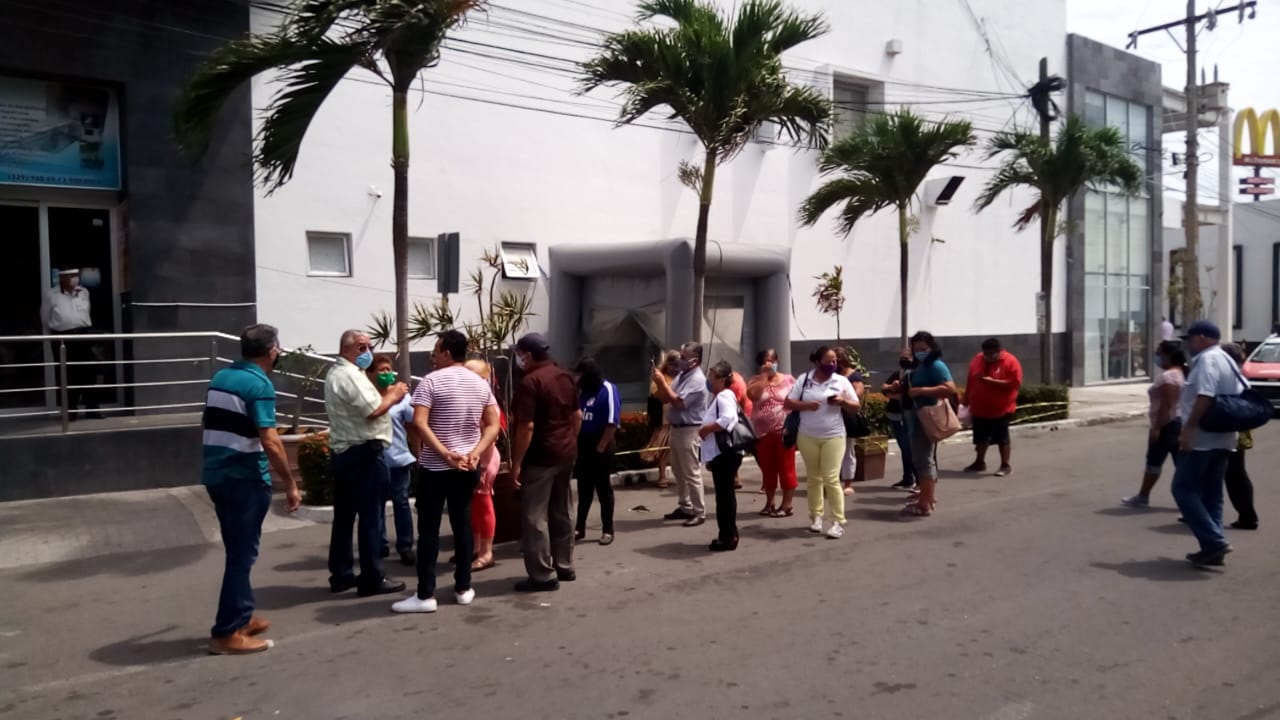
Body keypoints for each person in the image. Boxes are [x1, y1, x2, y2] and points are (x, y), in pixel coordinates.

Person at [201, 324, 301, 655]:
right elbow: (270, 440)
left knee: (238, 551)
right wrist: (291, 483)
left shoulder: (222, 377)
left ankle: (242, 615)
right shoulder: (260, 385)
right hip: (243, 479)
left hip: (218, 475)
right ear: (272, 351)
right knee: (242, 556)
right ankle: (226, 632)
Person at [392, 331, 501, 613]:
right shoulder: (479, 383)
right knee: (462, 523)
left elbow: (419, 423)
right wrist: (475, 452)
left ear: (447, 353)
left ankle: (425, 595)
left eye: (437, 350)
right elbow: (493, 424)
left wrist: (444, 453)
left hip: (436, 467)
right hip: (468, 465)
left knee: (428, 529)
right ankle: (463, 587)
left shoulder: (430, 381)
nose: (433, 355)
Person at [324, 330, 408, 598]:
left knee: (344, 517)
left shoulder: (339, 373)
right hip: (362, 453)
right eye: (363, 348)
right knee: (371, 516)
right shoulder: (349, 375)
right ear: (350, 349)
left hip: (345, 452)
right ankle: (372, 577)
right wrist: (394, 394)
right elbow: (373, 410)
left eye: (369, 347)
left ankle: (341, 573)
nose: (368, 353)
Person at [511, 333, 582, 593]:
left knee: (534, 517)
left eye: (519, 354)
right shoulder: (564, 376)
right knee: (562, 510)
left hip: (540, 457)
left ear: (528, 355)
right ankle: (564, 565)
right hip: (566, 453)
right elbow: (577, 416)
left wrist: (516, 462)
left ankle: (542, 575)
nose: (518, 359)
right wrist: (569, 441)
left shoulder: (530, 382)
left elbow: (526, 427)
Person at [1171, 321, 1243, 567]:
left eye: (1190, 339)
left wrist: (1188, 430)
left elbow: (1205, 396)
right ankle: (1213, 549)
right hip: (1223, 438)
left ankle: (1214, 542)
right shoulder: (1227, 360)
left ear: (1201, 338)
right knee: (1212, 493)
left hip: (1202, 439)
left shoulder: (1207, 360)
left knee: (1182, 488)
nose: (1188, 345)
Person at [784, 346, 859, 539]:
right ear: (817, 362)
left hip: (834, 435)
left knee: (831, 478)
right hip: (807, 435)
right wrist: (806, 406)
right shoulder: (804, 379)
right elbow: (788, 403)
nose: (832, 364)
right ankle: (816, 517)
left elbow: (856, 406)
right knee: (813, 478)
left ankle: (837, 521)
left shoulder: (841, 380)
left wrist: (842, 402)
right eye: (828, 361)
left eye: (834, 361)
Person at [1121, 341, 1187, 508]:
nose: (1157, 357)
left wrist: (1157, 428)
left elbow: (1166, 406)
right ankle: (1189, 500)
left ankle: (1143, 496)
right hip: (1178, 422)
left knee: (1154, 460)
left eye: (1159, 353)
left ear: (1168, 355)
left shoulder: (1168, 377)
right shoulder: (1181, 373)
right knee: (1181, 463)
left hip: (1168, 424)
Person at [652, 342, 709, 527]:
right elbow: (665, 398)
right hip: (676, 428)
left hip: (689, 429)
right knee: (678, 469)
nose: (680, 360)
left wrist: (662, 383)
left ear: (695, 361)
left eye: (684, 357)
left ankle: (699, 512)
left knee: (691, 472)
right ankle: (685, 506)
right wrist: (659, 384)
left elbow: (679, 403)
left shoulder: (697, 380)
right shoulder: (682, 376)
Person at [901, 331, 957, 518]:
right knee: (921, 459)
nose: (920, 352)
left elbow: (949, 388)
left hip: (927, 417)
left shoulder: (936, 365)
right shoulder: (918, 365)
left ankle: (925, 503)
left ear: (932, 348)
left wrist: (921, 391)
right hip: (915, 417)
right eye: (916, 349)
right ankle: (926, 496)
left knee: (924, 460)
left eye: (923, 349)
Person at [368, 354, 416, 567]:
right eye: (382, 370)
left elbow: (413, 425)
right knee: (376, 504)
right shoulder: (367, 396)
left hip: (399, 459)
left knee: (401, 502)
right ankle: (380, 545)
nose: (387, 374)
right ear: (370, 373)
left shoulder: (402, 397)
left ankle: (405, 545)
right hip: (375, 460)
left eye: (389, 369)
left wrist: (418, 453)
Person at [42, 268, 101, 419]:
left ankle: (92, 409)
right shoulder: (52, 295)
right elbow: (45, 319)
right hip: (63, 338)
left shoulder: (84, 292)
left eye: (76, 275)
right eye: (71, 276)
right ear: (62, 278)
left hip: (82, 336)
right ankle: (70, 411)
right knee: (67, 375)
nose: (75, 278)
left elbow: (86, 312)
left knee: (89, 372)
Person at [574, 357, 621, 546]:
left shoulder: (608, 389)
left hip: (601, 443)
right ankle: (579, 527)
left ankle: (607, 529)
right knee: (583, 489)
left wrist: (600, 448)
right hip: (583, 444)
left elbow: (612, 422)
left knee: (603, 489)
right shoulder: (582, 391)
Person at [464, 358, 505, 571]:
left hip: (484, 459)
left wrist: (481, 465)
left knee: (483, 503)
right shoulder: (470, 397)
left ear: (483, 378)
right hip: (473, 459)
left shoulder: (488, 403)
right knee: (475, 505)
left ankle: (487, 552)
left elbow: (491, 437)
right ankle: (477, 547)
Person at [699, 361, 744, 552]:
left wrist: (706, 429)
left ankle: (728, 536)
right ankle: (727, 534)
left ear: (722, 380)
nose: (709, 381)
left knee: (725, 497)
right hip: (719, 454)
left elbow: (728, 419)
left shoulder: (724, 396)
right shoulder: (718, 397)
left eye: (712, 377)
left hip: (725, 454)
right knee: (725, 495)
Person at [746, 348, 797, 517]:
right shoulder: (755, 380)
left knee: (786, 468)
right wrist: (764, 376)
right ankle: (770, 503)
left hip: (784, 432)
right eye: (765, 362)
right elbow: (753, 396)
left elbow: (798, 400)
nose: (768, 364)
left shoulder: (788, 380)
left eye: (771, 361)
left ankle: (787, 504)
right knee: (768, 469)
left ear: (777, 362)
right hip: (763, 434)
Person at [963, 338, 1023, 477]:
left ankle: (1005, 465)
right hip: (979, 407)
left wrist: (994, 382)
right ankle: (979, 462)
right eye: (986, 354)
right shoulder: (977, 359)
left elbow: (1015, 384)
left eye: (991, 354)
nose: (988, 357)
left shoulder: (1010, 361)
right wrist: (966, 397)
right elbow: (970, 379)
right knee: (980, 438)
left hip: (1001, 408)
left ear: (999, 351)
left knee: (1002, 438)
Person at [1221, 343, 1259, 531]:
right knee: (1236, 473)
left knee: (1233, 474)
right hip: (1239, 429)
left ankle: (1247, 516)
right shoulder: (1239, 376)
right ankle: (1247, 515)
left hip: (1230, 430)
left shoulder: (1229, 377)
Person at [642, 351, 681, 489]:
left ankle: (681, 476)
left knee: (679, 450)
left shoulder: (683, 378)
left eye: (678, 364)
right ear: (667, 364)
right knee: (662, 450)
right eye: (672, 364)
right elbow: (656, 395)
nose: (675, 368)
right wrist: (662, 384)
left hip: (680, 419)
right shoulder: (660, 377)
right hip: (664, 419)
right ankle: (662, 475)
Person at [881, 349, 918, 491]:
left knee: (909, 448)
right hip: (895, 415)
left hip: (909, 416)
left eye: (907, 358)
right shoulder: (898, 374)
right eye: (902, 358)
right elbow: (884, 387)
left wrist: (898, 395)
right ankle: (908, 478)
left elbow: (910, 395)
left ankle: (918, 480)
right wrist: (892, 387)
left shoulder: (914, 375)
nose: (903, 361)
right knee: (904, 448)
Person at [836, 348, 866, 495]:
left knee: (848, 450)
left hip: (847, 417)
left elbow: (857, 394)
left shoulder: (854, 376)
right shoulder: (831, 375)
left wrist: (842, 397)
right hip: (831, 417)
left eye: (837, 361)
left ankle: (848, 483)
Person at [728, 369, 754, 490]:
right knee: (734, 449)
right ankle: (735, 477)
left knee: (745, 448)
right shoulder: (733, 379)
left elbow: (734, 403)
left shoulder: (735, 383)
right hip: (740, 415)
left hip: (744, 416)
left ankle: (767, 483)